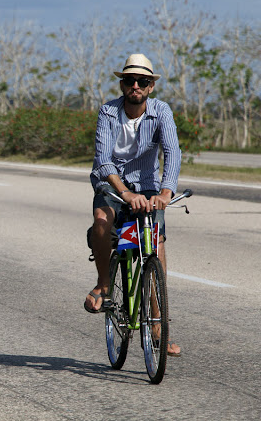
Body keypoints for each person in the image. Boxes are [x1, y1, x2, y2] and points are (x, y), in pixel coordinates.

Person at [84, 54, 182, 356]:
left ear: (151, 86)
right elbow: (103, 160)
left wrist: (165, 192)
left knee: (156, 244)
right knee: (102, 221)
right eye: (129, 80)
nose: (135, 85)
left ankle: (157, 326)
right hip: (112, 184)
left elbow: (172, 151)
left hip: (149, 185)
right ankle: (103, 282)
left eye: (142, 81)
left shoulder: (161, 111)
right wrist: (125, 193)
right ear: (123, 84)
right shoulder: (108, 112)